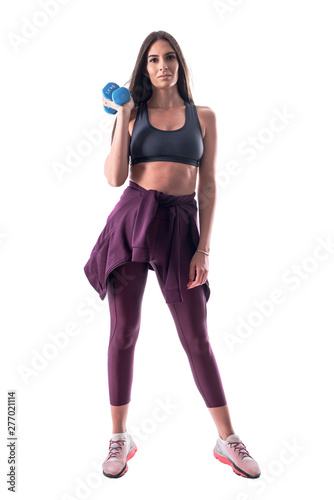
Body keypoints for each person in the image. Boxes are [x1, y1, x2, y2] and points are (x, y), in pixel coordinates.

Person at [83, 30, 261, 480]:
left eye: (169, 58)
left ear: (180, 64)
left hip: (181, 226)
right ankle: (119, 437)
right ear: (144, 68)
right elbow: (113, 177)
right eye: (153, 59)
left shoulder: (204, 116)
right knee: (124, 331)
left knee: (195, 336)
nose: (162, 65)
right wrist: (123, 115)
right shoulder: (131, 112)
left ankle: (227, 439)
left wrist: (203, 246)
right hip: (133, 218)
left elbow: (209, 184)